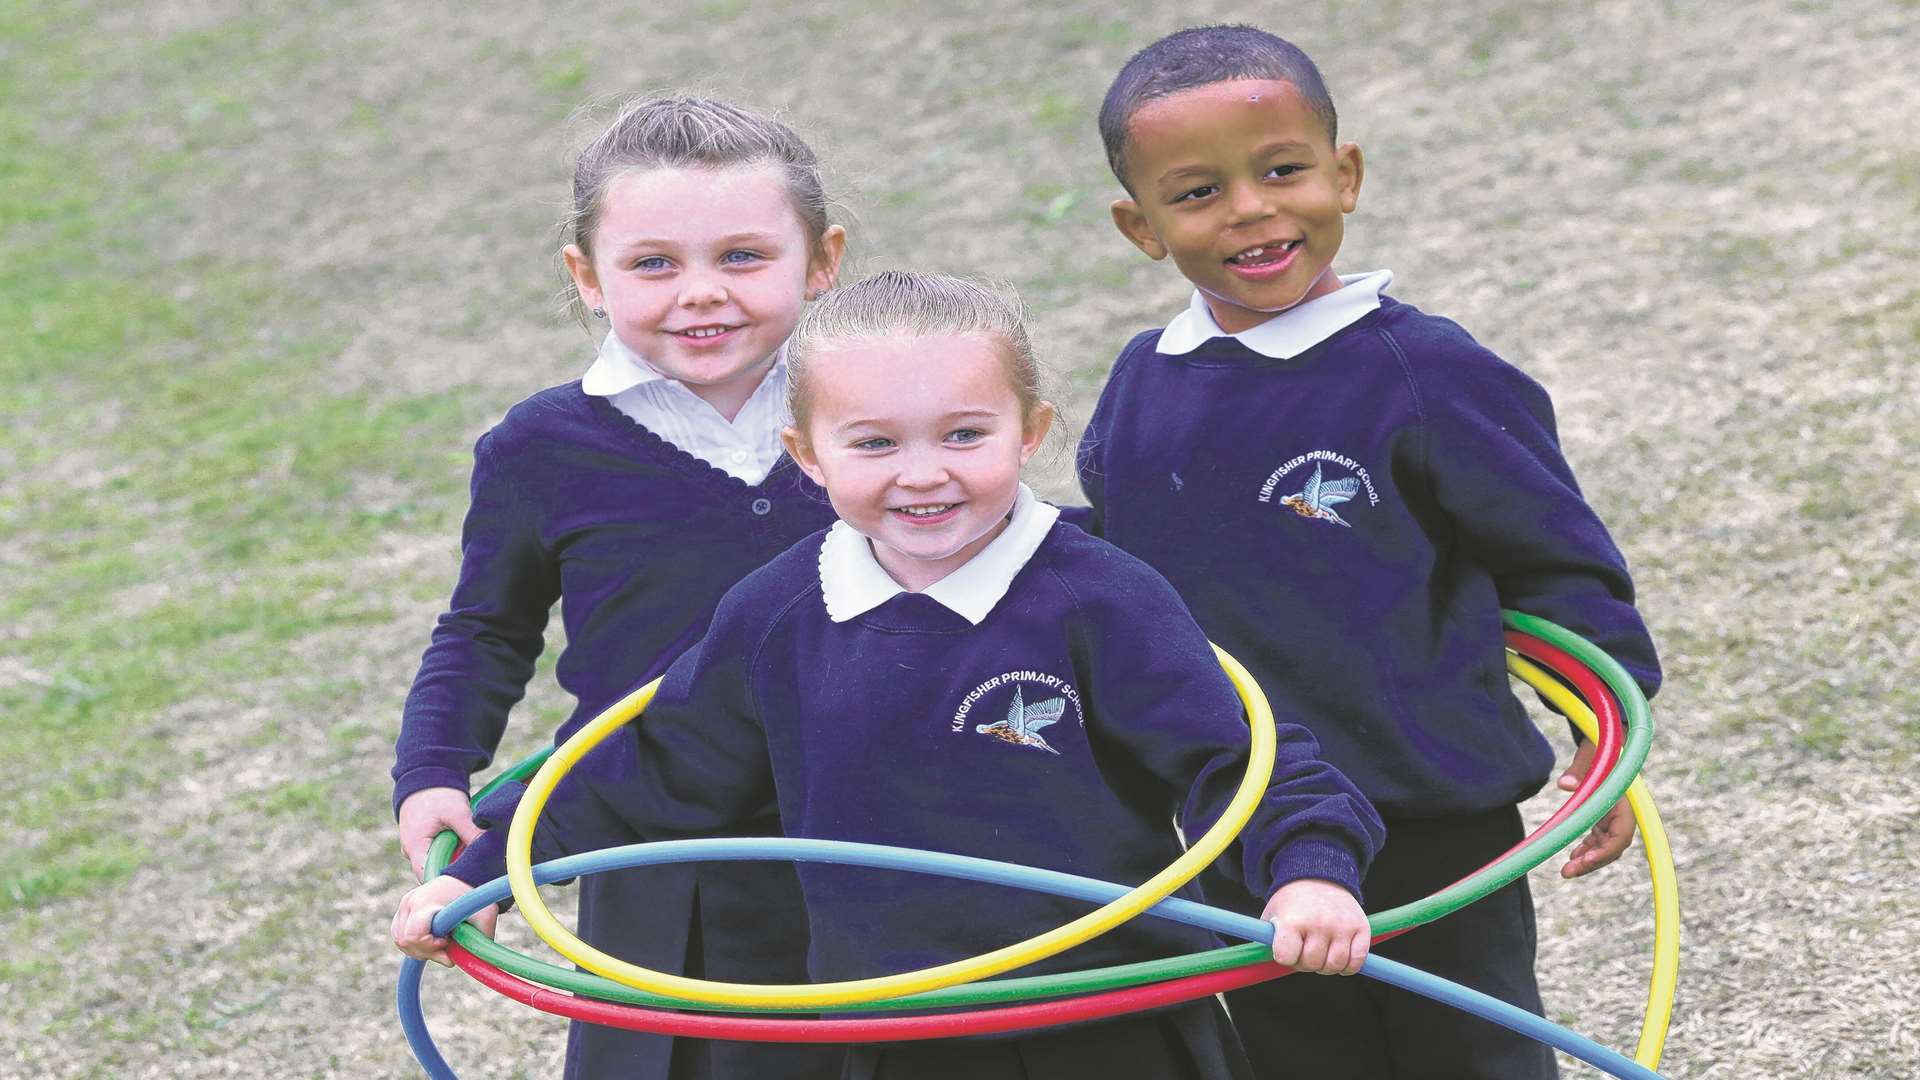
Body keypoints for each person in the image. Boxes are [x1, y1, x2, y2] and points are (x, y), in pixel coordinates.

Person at [395, 271, 1387, 1080]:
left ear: (1030, 433)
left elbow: (1245, 760)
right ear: (807, 457)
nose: (922, 474)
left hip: (1106, 1024)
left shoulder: (1100, 598)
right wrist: (487, 875)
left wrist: (1308, 874)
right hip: (890, 1034)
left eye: (965, 435)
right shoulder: (777, 611)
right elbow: (649, 771)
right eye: (874, 444)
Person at [1076, 25, 1664, 1079]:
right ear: (1141, 227)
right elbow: (1119, 581)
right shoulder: (1140, 385)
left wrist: (1602, 733)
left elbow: (1556, 558)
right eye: (1199, 193)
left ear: (1344, 177)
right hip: (1235, 807)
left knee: (1467, 1049)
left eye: (1283, 170)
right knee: (1294, 1053)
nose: (1252, 209)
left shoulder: (1423, 371)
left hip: (1424, 805)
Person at [389, 94, 848, 1080]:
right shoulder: (542, 449)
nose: (701, 293)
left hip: (872, 816)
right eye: (653, 263)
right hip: (656, 835)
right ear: (586, 278)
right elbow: (485, 628)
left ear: (821, 262)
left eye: (742, 256)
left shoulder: (880, 415)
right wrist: (434, 767)